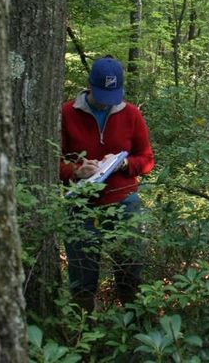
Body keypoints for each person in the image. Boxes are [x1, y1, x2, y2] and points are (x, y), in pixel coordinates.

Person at [59, 56, 154, 313]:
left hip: (124, 200)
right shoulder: (67, 113)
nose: (106, 101)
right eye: (102, 94)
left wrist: (123, 164)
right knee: (82, 273)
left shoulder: (131, 114)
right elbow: (51, 162)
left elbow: (146, 160)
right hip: (81, 203)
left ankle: (134, 324)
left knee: (130, 267)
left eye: (113, 95)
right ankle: (84, 329)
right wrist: (77, 171)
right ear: (89, 85)